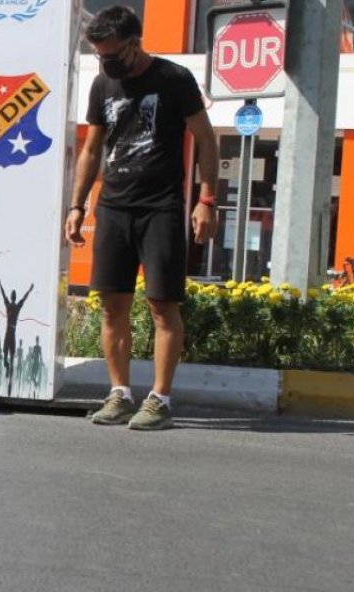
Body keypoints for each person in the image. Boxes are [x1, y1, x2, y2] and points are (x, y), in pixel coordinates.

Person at [65, 6, 218, 431]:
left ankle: (160, 399)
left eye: (112, 55)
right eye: (99, 56)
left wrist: (207, 200)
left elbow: (206, 139)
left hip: (162, 207)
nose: (106, 63)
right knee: (112, 307)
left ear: (135, 43)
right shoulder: (103, 84)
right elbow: (92, 149)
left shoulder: (174, 79)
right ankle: (120, 394)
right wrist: (77, 206)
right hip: (114, 206)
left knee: (161, 305)